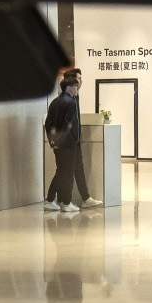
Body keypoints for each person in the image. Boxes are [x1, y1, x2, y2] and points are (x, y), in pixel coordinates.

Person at [44, 75, 87, 212]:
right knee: (68, 173)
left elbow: (48, 123)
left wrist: (53, 140)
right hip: (68, 144)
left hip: (57, 144)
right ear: (69, 87)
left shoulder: (55, 102)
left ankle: (50, 200)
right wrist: (62, 140)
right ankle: (66, 203)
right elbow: (67, 125)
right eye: (76, 87)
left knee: (61, 171)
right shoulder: (71, 103)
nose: (77, 89)